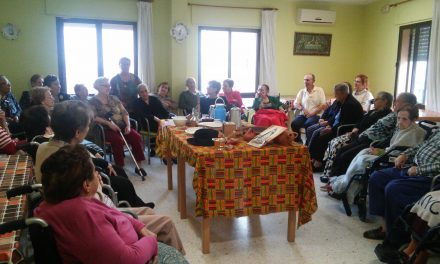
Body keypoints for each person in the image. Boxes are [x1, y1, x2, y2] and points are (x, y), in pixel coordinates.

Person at [34, 145, 188, 263]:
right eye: (94, 171)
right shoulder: (82, 216)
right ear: (86, 185)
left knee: (152, 216)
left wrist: (139, 227)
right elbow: (128, 260)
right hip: (135, 255)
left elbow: (113, 214)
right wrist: (151, 241)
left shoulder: (71, 201)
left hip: (131, 240)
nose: (98, 174)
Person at [34, 100, 152, 208]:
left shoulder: (44, 146)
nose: (88, 129)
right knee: (123, 184)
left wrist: (95, 158)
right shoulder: (70, 156)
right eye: (88, 125)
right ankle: (132, 209)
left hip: (62, 190)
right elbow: (86, 182)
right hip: (78, 198)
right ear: (78, 132)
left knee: (117, 170)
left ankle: (137, 203)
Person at [322, 106, 426, 203]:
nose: (400, 122)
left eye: (404, 119)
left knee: (363, 160)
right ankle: (343, 182)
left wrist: (380, 152)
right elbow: (393, 146)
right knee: (363, 152)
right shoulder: (402, 129)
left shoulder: (416, 132)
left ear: (413, 120)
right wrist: (379, 150)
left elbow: (401, 152)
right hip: (388, 153)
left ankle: (342, 186)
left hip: (396, 159)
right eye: (398, 118)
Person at [363, 128, 440, 242]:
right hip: (413, 167)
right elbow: (422, 145)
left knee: (394, 188)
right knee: (377, 177)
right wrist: (404, 154)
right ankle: (386, 227)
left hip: (430, 178)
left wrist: (419, 170)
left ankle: (397, 237)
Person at [325, 93, 418, 180]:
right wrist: (356, 129)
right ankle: (333, 179)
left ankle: (336, 181)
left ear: (406, 104)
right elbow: (363, 121)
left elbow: (390, 138)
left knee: (346, 155)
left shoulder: (400, 119)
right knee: (342, 150)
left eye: (397, 101)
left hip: (371, 141)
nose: (395, 103)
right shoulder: (393, 114)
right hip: (363, 137)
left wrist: (379, 148)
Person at [322, 91, 393, 179]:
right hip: (357, 135)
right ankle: (330, 175)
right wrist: (356, 128)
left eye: (376, 99)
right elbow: (361, 121)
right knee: (335, 143)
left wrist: (357, 131)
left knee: (342, 151)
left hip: (366, 140)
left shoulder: (386, 115)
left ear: (385, 101)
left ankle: (337, 178)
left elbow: (372, 129)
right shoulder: (373, 111)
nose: (374, 101)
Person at [89, 77, 145, 167]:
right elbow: (93, 117)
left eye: (109, 86)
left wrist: (128, 125)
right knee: (118, 141)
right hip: (106, 129)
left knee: (136, 137)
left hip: (122, 126)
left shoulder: (114, 98)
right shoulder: (92, 101)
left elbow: (124, 112)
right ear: (97, 87)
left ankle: (139, 165)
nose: (108, 87)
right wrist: (108, 123)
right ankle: (120, 166)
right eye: (105, 86)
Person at [307, 82, 364, 171]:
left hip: (346, 129)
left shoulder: (350, 104)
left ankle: (319, 163)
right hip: (338, 126)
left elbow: (344, 122)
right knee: (317, 132)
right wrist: (329, 125)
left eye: (336, 93)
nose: (335, 95)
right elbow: (335, 117)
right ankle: (313, 158)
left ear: (343, 93)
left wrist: (331, 129)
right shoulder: (342, 101)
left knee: (322, 135)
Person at [290, 73, 327, 143]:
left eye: (307, 80)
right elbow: (295, 103)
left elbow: (323, 104)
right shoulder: (302, 91)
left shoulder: (319, 90)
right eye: (304, 80)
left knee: (309, 123)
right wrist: (302, 109)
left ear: (313, 81)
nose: (305, 82)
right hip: (304, 114)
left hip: (316, 115)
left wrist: (313, 113)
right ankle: (298, 141)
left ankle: (308, 143)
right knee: (294, 123)